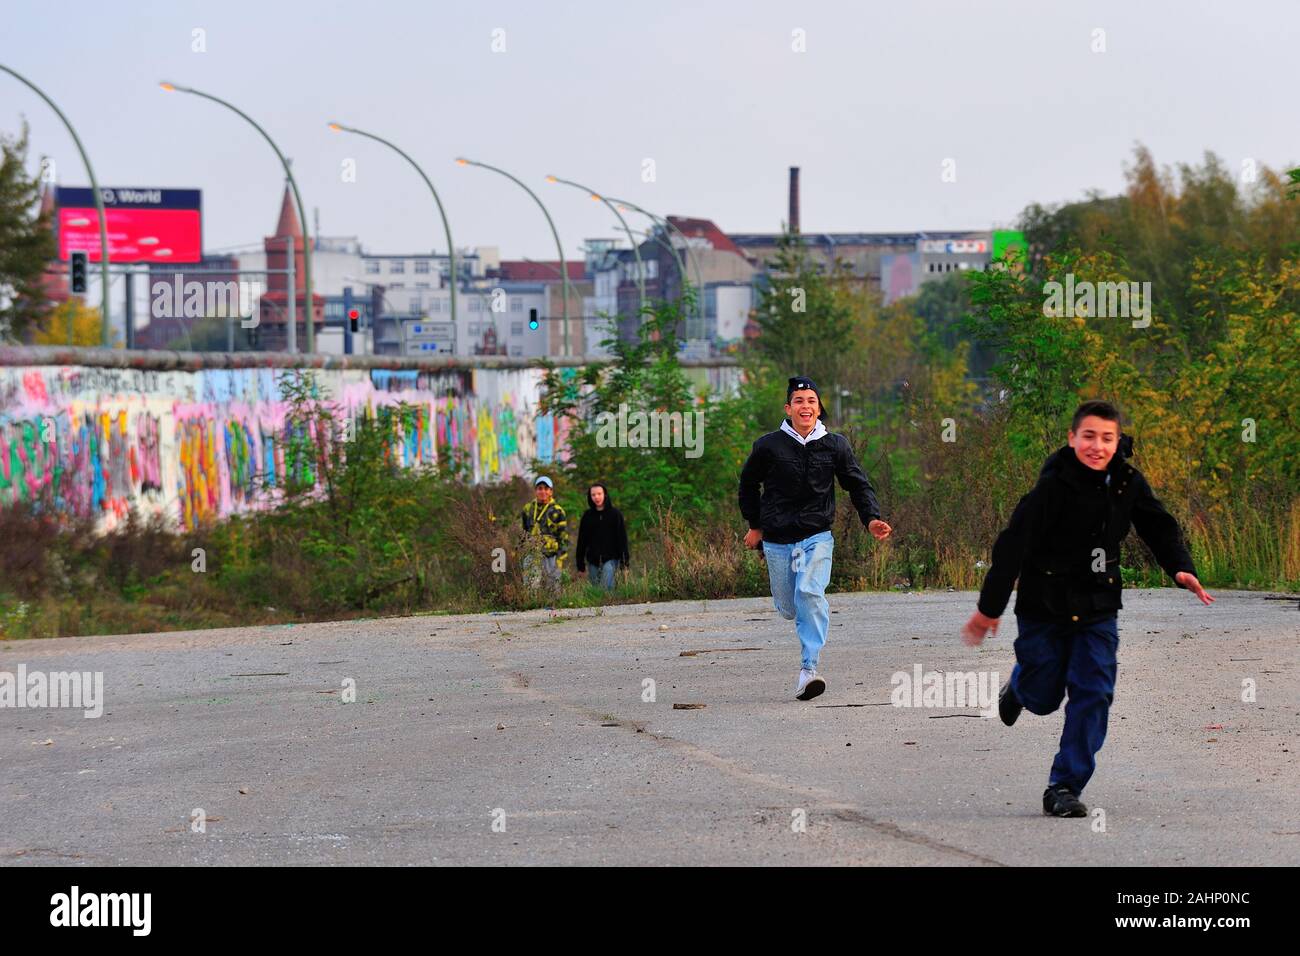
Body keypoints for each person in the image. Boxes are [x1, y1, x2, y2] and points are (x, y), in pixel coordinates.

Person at [962, 400, 1214, 818]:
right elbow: (1012, 544)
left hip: (1098, 605)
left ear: (1117, 442)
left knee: (1093, 692)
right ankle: (1022, 687)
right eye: (1090, 436)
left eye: (1107, 438)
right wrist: (989, 608)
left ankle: (1064, 785)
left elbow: (1158, 524)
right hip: (1044, 604)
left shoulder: (1127, 482)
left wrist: (1180, 569)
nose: (1098, 446)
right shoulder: (1051, 487)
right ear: (1073, 438)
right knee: (1043, 698)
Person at [739, 376, 892, 701]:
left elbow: (857, 483)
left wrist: (871, 519)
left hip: (816, 536)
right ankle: (793, 609)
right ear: (788, 408)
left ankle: (809, 669)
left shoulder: (835, 445)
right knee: (789, 606)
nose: (805, 406)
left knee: (810, 593)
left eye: (811, 401)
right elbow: (748, 484)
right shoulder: (768, 446)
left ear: (819, 407)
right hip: (778, 541)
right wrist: (755, 525)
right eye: (799, 401)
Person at [575, 482, 630, 590]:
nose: (596, 497)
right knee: (596, 592)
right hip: (593, 561)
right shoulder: (587, 516)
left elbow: (622, 540)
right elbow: (581, 541)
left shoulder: (615, 514)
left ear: (605, 494)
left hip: (611, 559)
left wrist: (625, 564)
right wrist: (580, 565)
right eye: (593, 495)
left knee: (607, 588)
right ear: (590, 497)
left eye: (599, 494)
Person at [521, 476, 568, 590]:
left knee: (552, 587)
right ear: (535, 490)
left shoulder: (558, 510)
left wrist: (561, 559)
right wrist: (521, 552)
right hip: (532, 553)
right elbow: (523, 532)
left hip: (551, 554)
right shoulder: (528, 508)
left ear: (551, 491)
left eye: (546, 489)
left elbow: (563, 537)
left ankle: (554, 607)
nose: (543, 491)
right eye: (540, 488)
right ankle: (532, 606)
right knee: (531, 586)